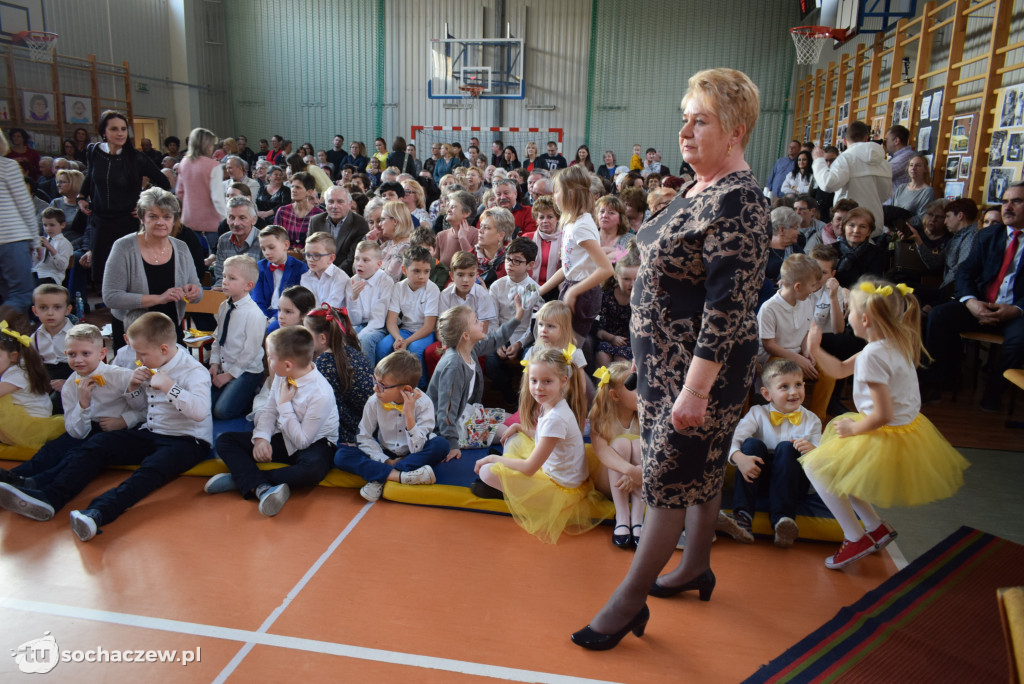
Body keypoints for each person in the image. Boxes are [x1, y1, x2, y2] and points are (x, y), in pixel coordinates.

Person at [573, 68, 769, 651]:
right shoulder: (698, 188)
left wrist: (696, 390)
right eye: (684, 116)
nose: (684, 130)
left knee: (663, 479)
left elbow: (729, 307)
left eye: (699, 119)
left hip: (698, 375)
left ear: (735, 130)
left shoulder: (739, 202)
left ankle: (627, 604)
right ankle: (694, 566)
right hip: (666, 368)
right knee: (698, 471)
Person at [802, 279, 969, 569]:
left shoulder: (872, 357)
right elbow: (840, 370)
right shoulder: (894, 341)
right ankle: (875, 527)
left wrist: (854, 429)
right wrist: (816, 350)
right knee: (844, 471)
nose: (848, 315)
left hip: (883, 430)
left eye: (849, 310)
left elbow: (883, 414)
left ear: (864, 319)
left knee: (818, 468)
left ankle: (855, 537)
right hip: (904, 429)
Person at [4, 312, 210, 540]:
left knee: (149, 472)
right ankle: (47, 495)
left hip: (188, 440)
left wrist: (170, 387)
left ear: (163, 349)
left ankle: (97, 513)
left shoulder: (194, 371)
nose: (138, 359)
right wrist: (133, 387)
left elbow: (200, 412)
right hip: (152, 433)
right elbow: (143, 407)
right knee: (97, 444)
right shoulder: (152, 363)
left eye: (142, 354)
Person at [472, 347, 613, 543]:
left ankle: (506, 491)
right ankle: (508, 485)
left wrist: (493, 458)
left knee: (487, 471)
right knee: (514, 437)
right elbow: (543, 437)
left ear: (563, 381)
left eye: (547, 382)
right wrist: (520, 427)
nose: (539, 387)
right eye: (534, 381)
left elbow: (530, 468)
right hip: (551, 470)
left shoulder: (556, 417)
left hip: (560, 492)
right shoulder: (552, 405)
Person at [207, 326, 339, 517]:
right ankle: (258, 484)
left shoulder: (321, 394)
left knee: (312, 471)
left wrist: (285, 405)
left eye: (270, 357)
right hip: (285, 436)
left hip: (315, 442)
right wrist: (262, 438)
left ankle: (244, 480)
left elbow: (303, 441)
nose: (267, 360)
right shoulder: (280, 375)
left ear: (287, 365)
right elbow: (269, 409)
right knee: (225, 441)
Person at [0, 324, 139, 491]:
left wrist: (124, 421)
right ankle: (12, 479)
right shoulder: (69, 387)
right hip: (88, 426)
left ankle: (34, 484)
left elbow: (146, 410)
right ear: (66, 355)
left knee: (76, 455)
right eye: (72, 354)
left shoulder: (122, 376)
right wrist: (83, 404)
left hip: (119, 430)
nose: (78, 360)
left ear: (102, 353)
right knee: (53, 449)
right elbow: (76, 432)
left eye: (85, 353)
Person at [923, 181, 1024, 411]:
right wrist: (970, 302)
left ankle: (994, 392)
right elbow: (966, 272)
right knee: (939, 316)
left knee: (1019, 341)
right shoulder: (989, 235)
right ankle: (934, 384)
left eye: (1016, 201)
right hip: (980, 305)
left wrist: (1017, 309)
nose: (1007, 207)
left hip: (1016, 312)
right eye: (1005, 201)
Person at [724, 358, 821, 547]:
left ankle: (783, 521)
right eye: (784, 387)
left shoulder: (812, 420)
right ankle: (742, 517)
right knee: (751, 444)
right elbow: (732, 440)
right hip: (758, 479)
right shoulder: (757, 413)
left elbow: (823, 459)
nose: (793, 392)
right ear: (767, 394)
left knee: (786, 447)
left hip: (792, 484)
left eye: (798, 384)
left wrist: (814, 451)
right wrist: (740, 458)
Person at [334, 350, 448, 502]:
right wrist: (385, 460)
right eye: (375, 382)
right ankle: (401, 476)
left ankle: (378, 478)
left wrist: (409, 415)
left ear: (406, 390)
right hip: (384, 452)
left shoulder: (424, 404)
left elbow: (418, 448)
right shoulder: (374, 401)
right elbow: (363, 437)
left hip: (412, 453)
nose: (375, 389)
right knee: (341, 456)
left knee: (441, 445)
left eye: (382, 386)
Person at [78, 111, 171, 288]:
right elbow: (90, 176)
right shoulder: (94, 151)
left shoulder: (137, 157)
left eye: (123, 129)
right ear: (103, 132)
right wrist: (81, 196)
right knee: (104, 277)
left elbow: (164, 183)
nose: (120, 133)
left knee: (128, 275)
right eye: (114, 129)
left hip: (126, 222)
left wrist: (148, 206)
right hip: (100, 221)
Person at [101, 187, 202, 348]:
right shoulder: (123, 247)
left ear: (174, 220)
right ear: (142, 218)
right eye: (153, 216)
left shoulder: (181, 247)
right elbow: (111, 296)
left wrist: (194, 291)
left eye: (167, 217)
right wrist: (158, 298)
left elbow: (198, 292)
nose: (161, 222)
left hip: (169, 331)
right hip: (133, 332)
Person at [428, 299, 524, 461]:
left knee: (516, 419)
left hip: (468, 413)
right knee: (510, 433)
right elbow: (445, 411)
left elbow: (495, 340)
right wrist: (451, 444)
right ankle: (508, 467)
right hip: (452, 428)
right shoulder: (454, 365)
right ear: (465, 335)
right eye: (476, 321)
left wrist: (518, 316)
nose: (482, 324)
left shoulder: (469, 349)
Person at [537, 166, 615, 344]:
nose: (553, 196)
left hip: (583, 293)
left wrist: (574, 291)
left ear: (570, 193)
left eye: (556, 191)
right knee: (560, 348)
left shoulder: (581, 226)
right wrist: (539, 291)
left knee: (568, 352)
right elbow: (568, 267)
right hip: (573, 287)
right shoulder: (570, 223)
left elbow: (606, 269)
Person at [588, 361, 643, 549]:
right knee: (621, 444)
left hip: (639, 477)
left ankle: (637, 518)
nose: (642, 391)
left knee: (637, 445)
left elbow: (655, 451)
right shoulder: (601, 419)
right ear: (615, 395)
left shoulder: (644, 417)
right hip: (610, 481)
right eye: (633, 386)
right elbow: (603, 453)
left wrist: (639, 471)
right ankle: (622, 516)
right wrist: (630, 470)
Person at [303, 304, 374, 445]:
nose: (303, 338)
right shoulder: (351, 350)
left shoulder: (324, 362)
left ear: (322, 338)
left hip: (349, 430)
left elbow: (323, 405)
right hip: (367, 425)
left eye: (306, 333)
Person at [208, 255, 266, 420]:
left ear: (248, 285)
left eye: (232, 278)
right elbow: (218, 337)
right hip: (225, 366)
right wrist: (214, 363)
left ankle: (252, 394)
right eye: (225, 276)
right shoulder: (224, 306)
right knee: (207, 407)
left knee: (222, 412)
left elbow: (250, 351)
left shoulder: (254, 314)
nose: (225, 281)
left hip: (246, 371)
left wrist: (229, 376)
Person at [811, 121, 891, 235]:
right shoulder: (884, 163)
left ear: (844, 141)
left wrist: (819, 160)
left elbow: (827, 184)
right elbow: (886, 194)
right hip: (874, 221)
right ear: (867, 138)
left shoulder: (845, 159)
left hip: (851, 224)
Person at [486, 237, 542, 401]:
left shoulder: (534, 289)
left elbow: (533, 326)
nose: (510, 264)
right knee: (490, 363)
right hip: (501, 335)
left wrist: (520, 343)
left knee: (531, 360)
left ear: (530, 265)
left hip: (525, 337)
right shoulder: (497, 286)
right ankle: (507, 390)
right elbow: (492, 318)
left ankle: (524, 397)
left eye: (517, 261)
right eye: (508, 259)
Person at [377, 247, 440, 388]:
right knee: (383, 347)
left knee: (415, 350)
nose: (422, 276)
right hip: (405, 330)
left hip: (423, 333)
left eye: (426, 271)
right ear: (405, 270)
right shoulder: (398, 287)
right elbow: (391, 321)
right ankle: (385, 386)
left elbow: (429, 326)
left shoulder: (432, 289)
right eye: (416, 271)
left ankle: (419, 389)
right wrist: (398, 337)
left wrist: (406, 341)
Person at [0, 318, 63, 448]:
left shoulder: (17, 374)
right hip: (27, 422)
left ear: (13, 356)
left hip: (29, 428)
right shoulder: (17, 368)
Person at [757, 254, 821, 376]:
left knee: (827, 372)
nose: (814, 290)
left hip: (797, 354)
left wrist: (807, 351)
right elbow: (769, 345)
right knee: (786, 373)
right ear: (797, 286)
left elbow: (806, 331)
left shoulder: (807, 301)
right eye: (812, 285)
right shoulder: (769, 308)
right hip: (774, 357)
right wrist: (797, 359)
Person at [347, 240, 395, 365]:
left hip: (380, 326)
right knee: (342, 336)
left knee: (364, 339)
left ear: (378, 264)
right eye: (356, 259)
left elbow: (378, 319)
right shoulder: (353, 281)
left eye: (365, 260)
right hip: (360, 324)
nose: (359, 264)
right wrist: (354, 299)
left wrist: (358, 336)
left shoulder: (386, 282)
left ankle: (368, 379)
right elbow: (355, 321)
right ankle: (348, 377)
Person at [176, 128, 226, 246]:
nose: (212, 147)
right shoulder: (213, 165)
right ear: (206, 145)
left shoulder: (184, 162)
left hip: (189, 217)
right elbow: (217, 197)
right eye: (211, 144)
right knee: (215, 255)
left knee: (194, 256)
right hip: (212, 219)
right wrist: (226, 217)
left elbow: (179, 192)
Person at [29, 284, 74, 411]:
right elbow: (30, 364)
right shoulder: (34, 337)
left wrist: (68, 383)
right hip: (46, 380)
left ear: (67, 310)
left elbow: (92, 368)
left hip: (72, 378)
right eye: (43, 307)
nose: (50, 313)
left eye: (57, 307)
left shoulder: (77, 335)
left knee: (55, 406)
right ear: (35, 311)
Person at [308, 186, 368, 275]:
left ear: (349, 204)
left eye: (340, 202)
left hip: (346, 277)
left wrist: (331, 275)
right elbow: (310, 251)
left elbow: (352, 259)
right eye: (331, 202)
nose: (335, 206)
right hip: (318, 274)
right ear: (325, 203)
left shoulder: (360, 223)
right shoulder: (315, 221)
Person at [595, 245, 639, 367]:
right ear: (615, 276)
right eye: (626, 279)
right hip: (608, 339)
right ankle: (601, 385)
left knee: (621, 361)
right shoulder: (607, 297)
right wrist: (612, 338)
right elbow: (599, 330)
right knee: (602, 355)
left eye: (636, 279)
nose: (632, 284)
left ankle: (618, 386)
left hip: (631, 345)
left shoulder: (642, 300)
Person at [252, 225, 307, 321]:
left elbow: (297, 302)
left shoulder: (300, 268)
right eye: (263, 249)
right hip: (263, 313)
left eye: (271, 247)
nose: (267, 253)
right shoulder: (260, 267)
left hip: (286, 315)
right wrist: (264, 319)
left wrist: (275, 319)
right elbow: (257, 299)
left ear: (286, 245)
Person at [213, 196, 263, 289]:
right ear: (227, 219)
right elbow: (220, 275)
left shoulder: (263, 241)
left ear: (254, 220)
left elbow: (262, 281)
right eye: (231, 217)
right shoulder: (223, 240)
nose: (236, 223)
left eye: (242, 218)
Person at [834, 208, 890, 288]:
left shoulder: (878, 254)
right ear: (844, 227)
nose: (856, 230)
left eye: (863, 226)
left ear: (869, 232)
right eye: (852, 225)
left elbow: (874, 284)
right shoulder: (830, 250)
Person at [275, 172, 324, 249]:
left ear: (309, 192)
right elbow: (276, 238)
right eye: (292, 186)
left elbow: (320, 243)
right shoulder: (283, 211)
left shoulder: (319, 214)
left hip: (309, 257)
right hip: (284, 255)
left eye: (298, 187)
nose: (293, 190)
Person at [436, 190, 479, 267]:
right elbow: (434, 264)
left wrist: (463, 238)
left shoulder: (477, 235)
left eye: (453, 207)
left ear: (466, 213)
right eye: (448, 207)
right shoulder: (441, 236)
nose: (448, 210)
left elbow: (473, 264)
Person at [885, 154, 934, 218]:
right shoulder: (901, 188)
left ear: (925, 169)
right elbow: (891, 211)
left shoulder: (927, 191)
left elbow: (922, 218)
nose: (913, 168)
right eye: (911, 165)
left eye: (918, 165)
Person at [530, 195, 562, 292]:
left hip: (555, 289)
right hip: (530, 288)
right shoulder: (527, 238)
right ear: (536, 220)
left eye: (550, 217)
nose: (545, 221)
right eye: (541, 217)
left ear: (557, 218)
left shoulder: (565, 239)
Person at [34, 208, 73, 287]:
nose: (48, 228)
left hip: (52, 276)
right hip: (37, 273)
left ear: (63, 225)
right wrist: (35, 250)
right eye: (45, 225)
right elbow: (35, 263)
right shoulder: (44, 240)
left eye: (52, 225)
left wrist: (51, 248)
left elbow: (62, 267)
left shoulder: (65, 243)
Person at [475, 207, 513, 287]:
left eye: (486, 228)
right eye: (480, 226)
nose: (480, 231)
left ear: (501, 235)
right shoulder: (470, 256)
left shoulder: (513, 261)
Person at [595, 195, 635, 264]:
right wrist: (619, 252)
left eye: (611, 213)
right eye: (602, 211)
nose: (604, 215)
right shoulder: (590, 238)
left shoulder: (630, 240)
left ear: (620, 219)